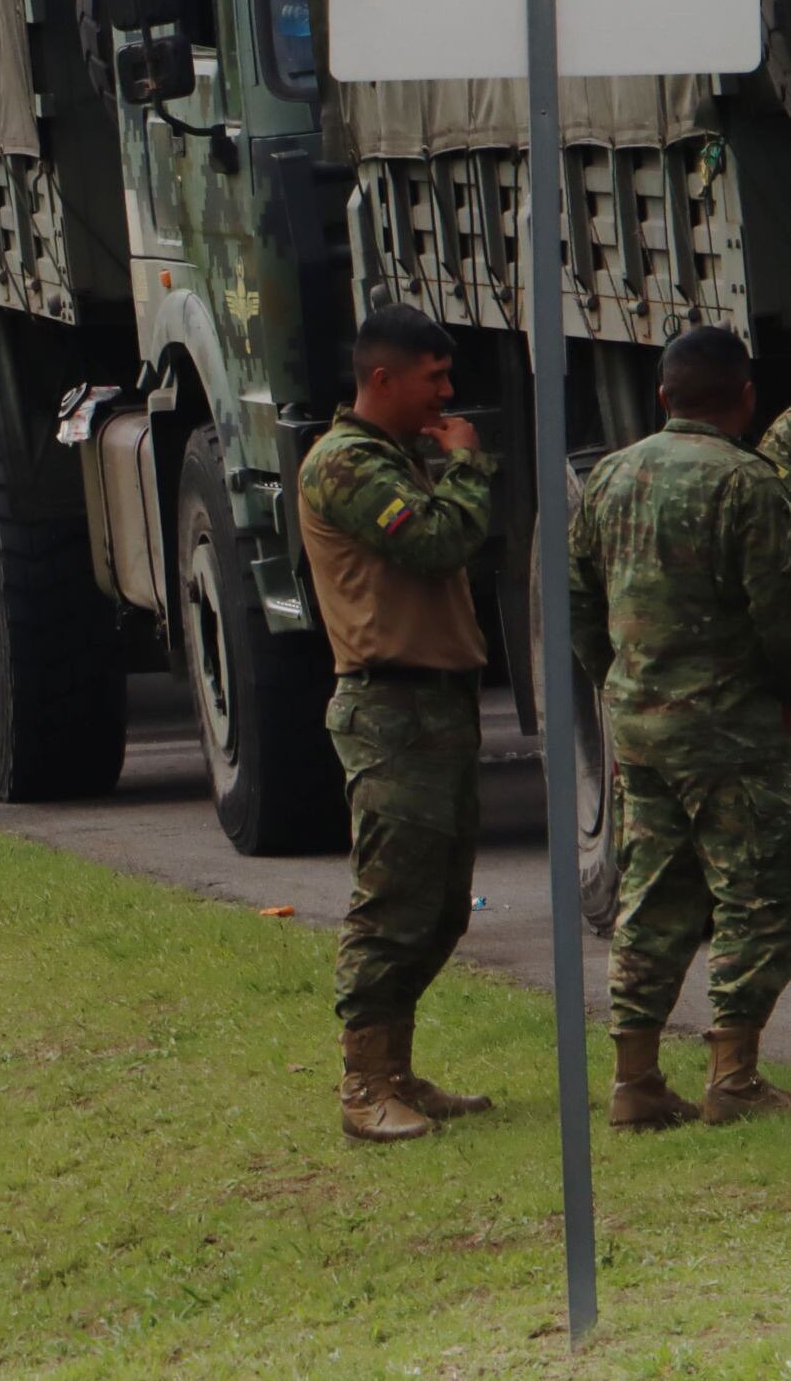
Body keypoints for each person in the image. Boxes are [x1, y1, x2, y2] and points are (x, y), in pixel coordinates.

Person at [568, 326, 791, 1130]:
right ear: (745, 398)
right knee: (757, 896)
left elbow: (579, 607)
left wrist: (620, 685)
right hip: (732, 733)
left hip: (642, 731)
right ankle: (732, 1077)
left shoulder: (608, 478)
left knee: (652, 900)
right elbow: (777, 614)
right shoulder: (749, 484)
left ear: (663, 396)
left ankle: (635, 1082)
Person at [296, 304, 497, 1143]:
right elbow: (435, 544)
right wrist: (468, 469)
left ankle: (398, 1070)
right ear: (382, 378)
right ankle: (363, 1082)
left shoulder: (399, 456)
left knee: (440, 905)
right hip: (389, 707)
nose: (446, 395)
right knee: (391, 904)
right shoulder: (345, 466)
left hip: (438, 701)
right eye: (433, 378)